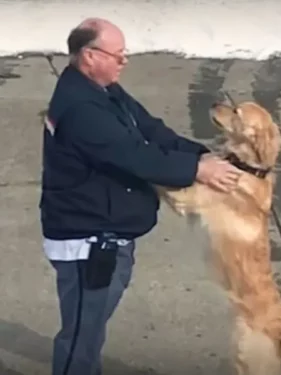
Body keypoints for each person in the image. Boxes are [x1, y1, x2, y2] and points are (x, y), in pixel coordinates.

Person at [40, 18, 242, 375]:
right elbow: (137, 156)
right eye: (118, 55)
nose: (125, 61)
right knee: (81, 340)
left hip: (108, 237)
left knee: (90, 330)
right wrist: (198, 171)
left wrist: (200, 155)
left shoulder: (102, 90)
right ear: (89, 56)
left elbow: (150, 130)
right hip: (88, 244)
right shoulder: (81, 108)